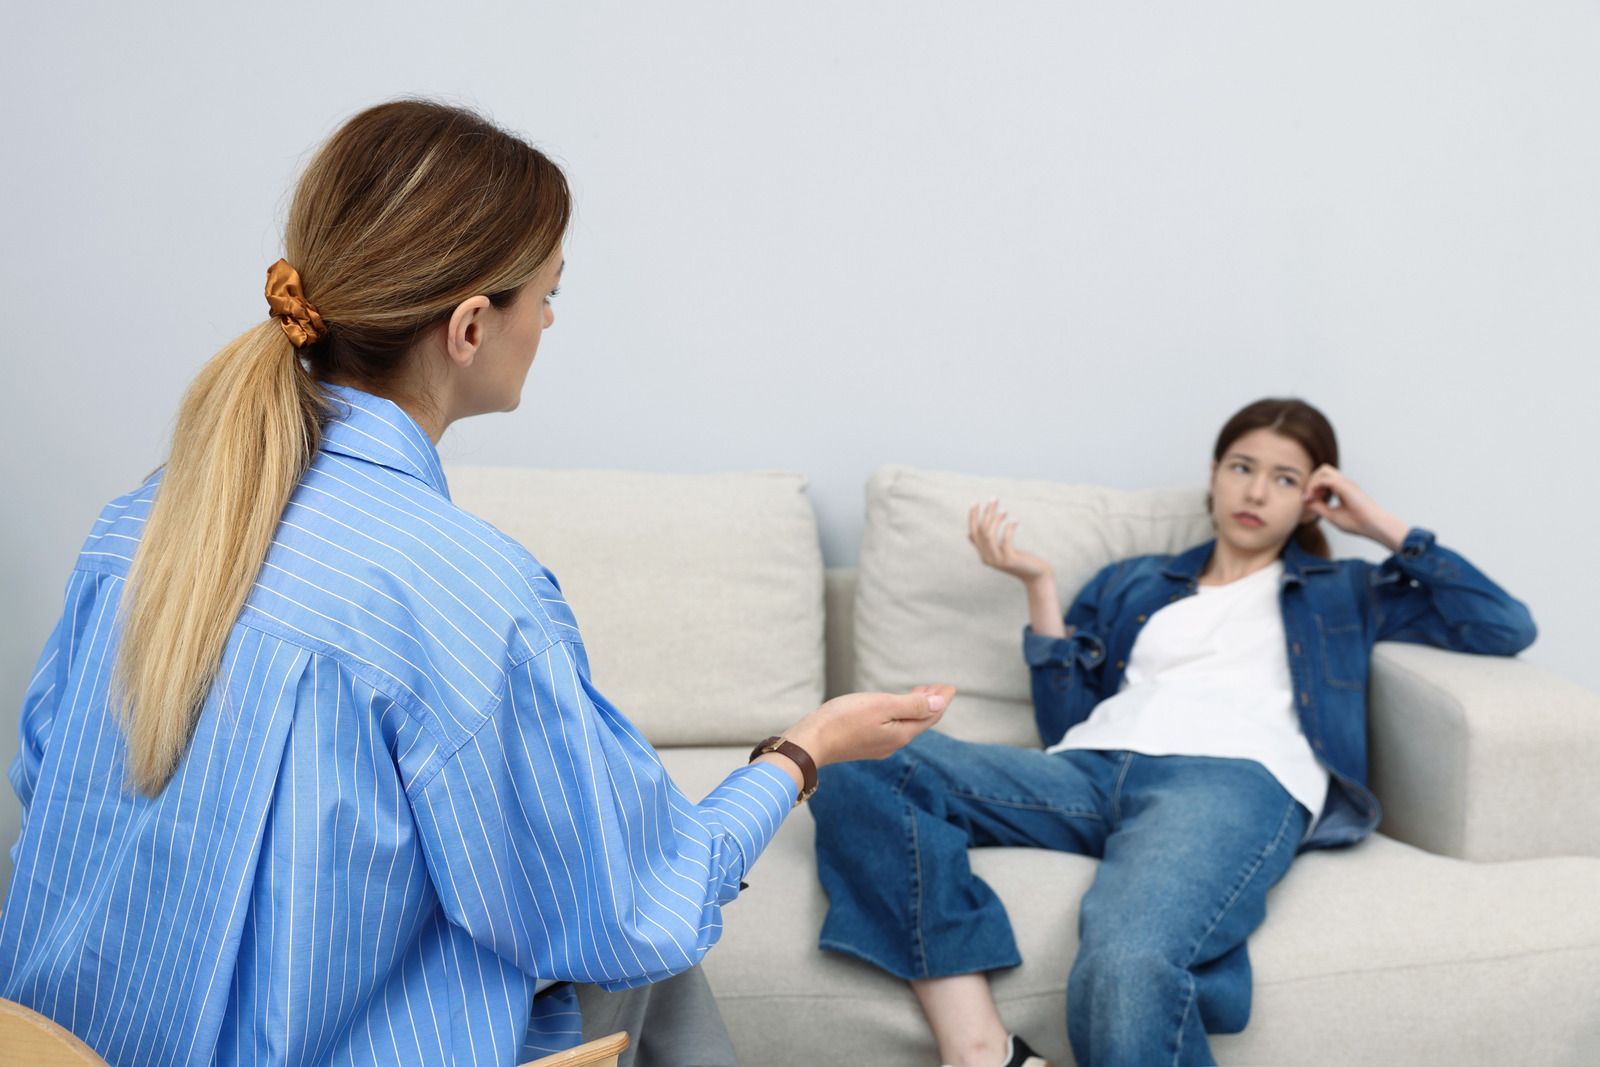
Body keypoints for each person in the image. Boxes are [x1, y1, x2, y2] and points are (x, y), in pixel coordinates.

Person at [0, 99, 953, 1066]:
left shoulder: (142, 523)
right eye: (547, 293)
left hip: (50, 1046)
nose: (546, 320)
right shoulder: (466, 595)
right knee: (647, 967)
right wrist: (801, 752)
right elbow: (627, 906)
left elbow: (44, 781)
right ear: (467, 327)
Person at [809, 397, 1536, 1067]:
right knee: (852, 755)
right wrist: (1041, 589)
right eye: (1242, 467)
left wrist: (1375, 524)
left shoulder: (1343, 591)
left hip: (1230, 780)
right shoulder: (1136, 581)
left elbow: (1504, 623)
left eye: (1284, 478)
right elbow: (1063, 724)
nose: (1255, 491)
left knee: (1127, 963)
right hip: (1090, 770)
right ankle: (982, 1051)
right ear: (1214, 476)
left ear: (1314, 495)